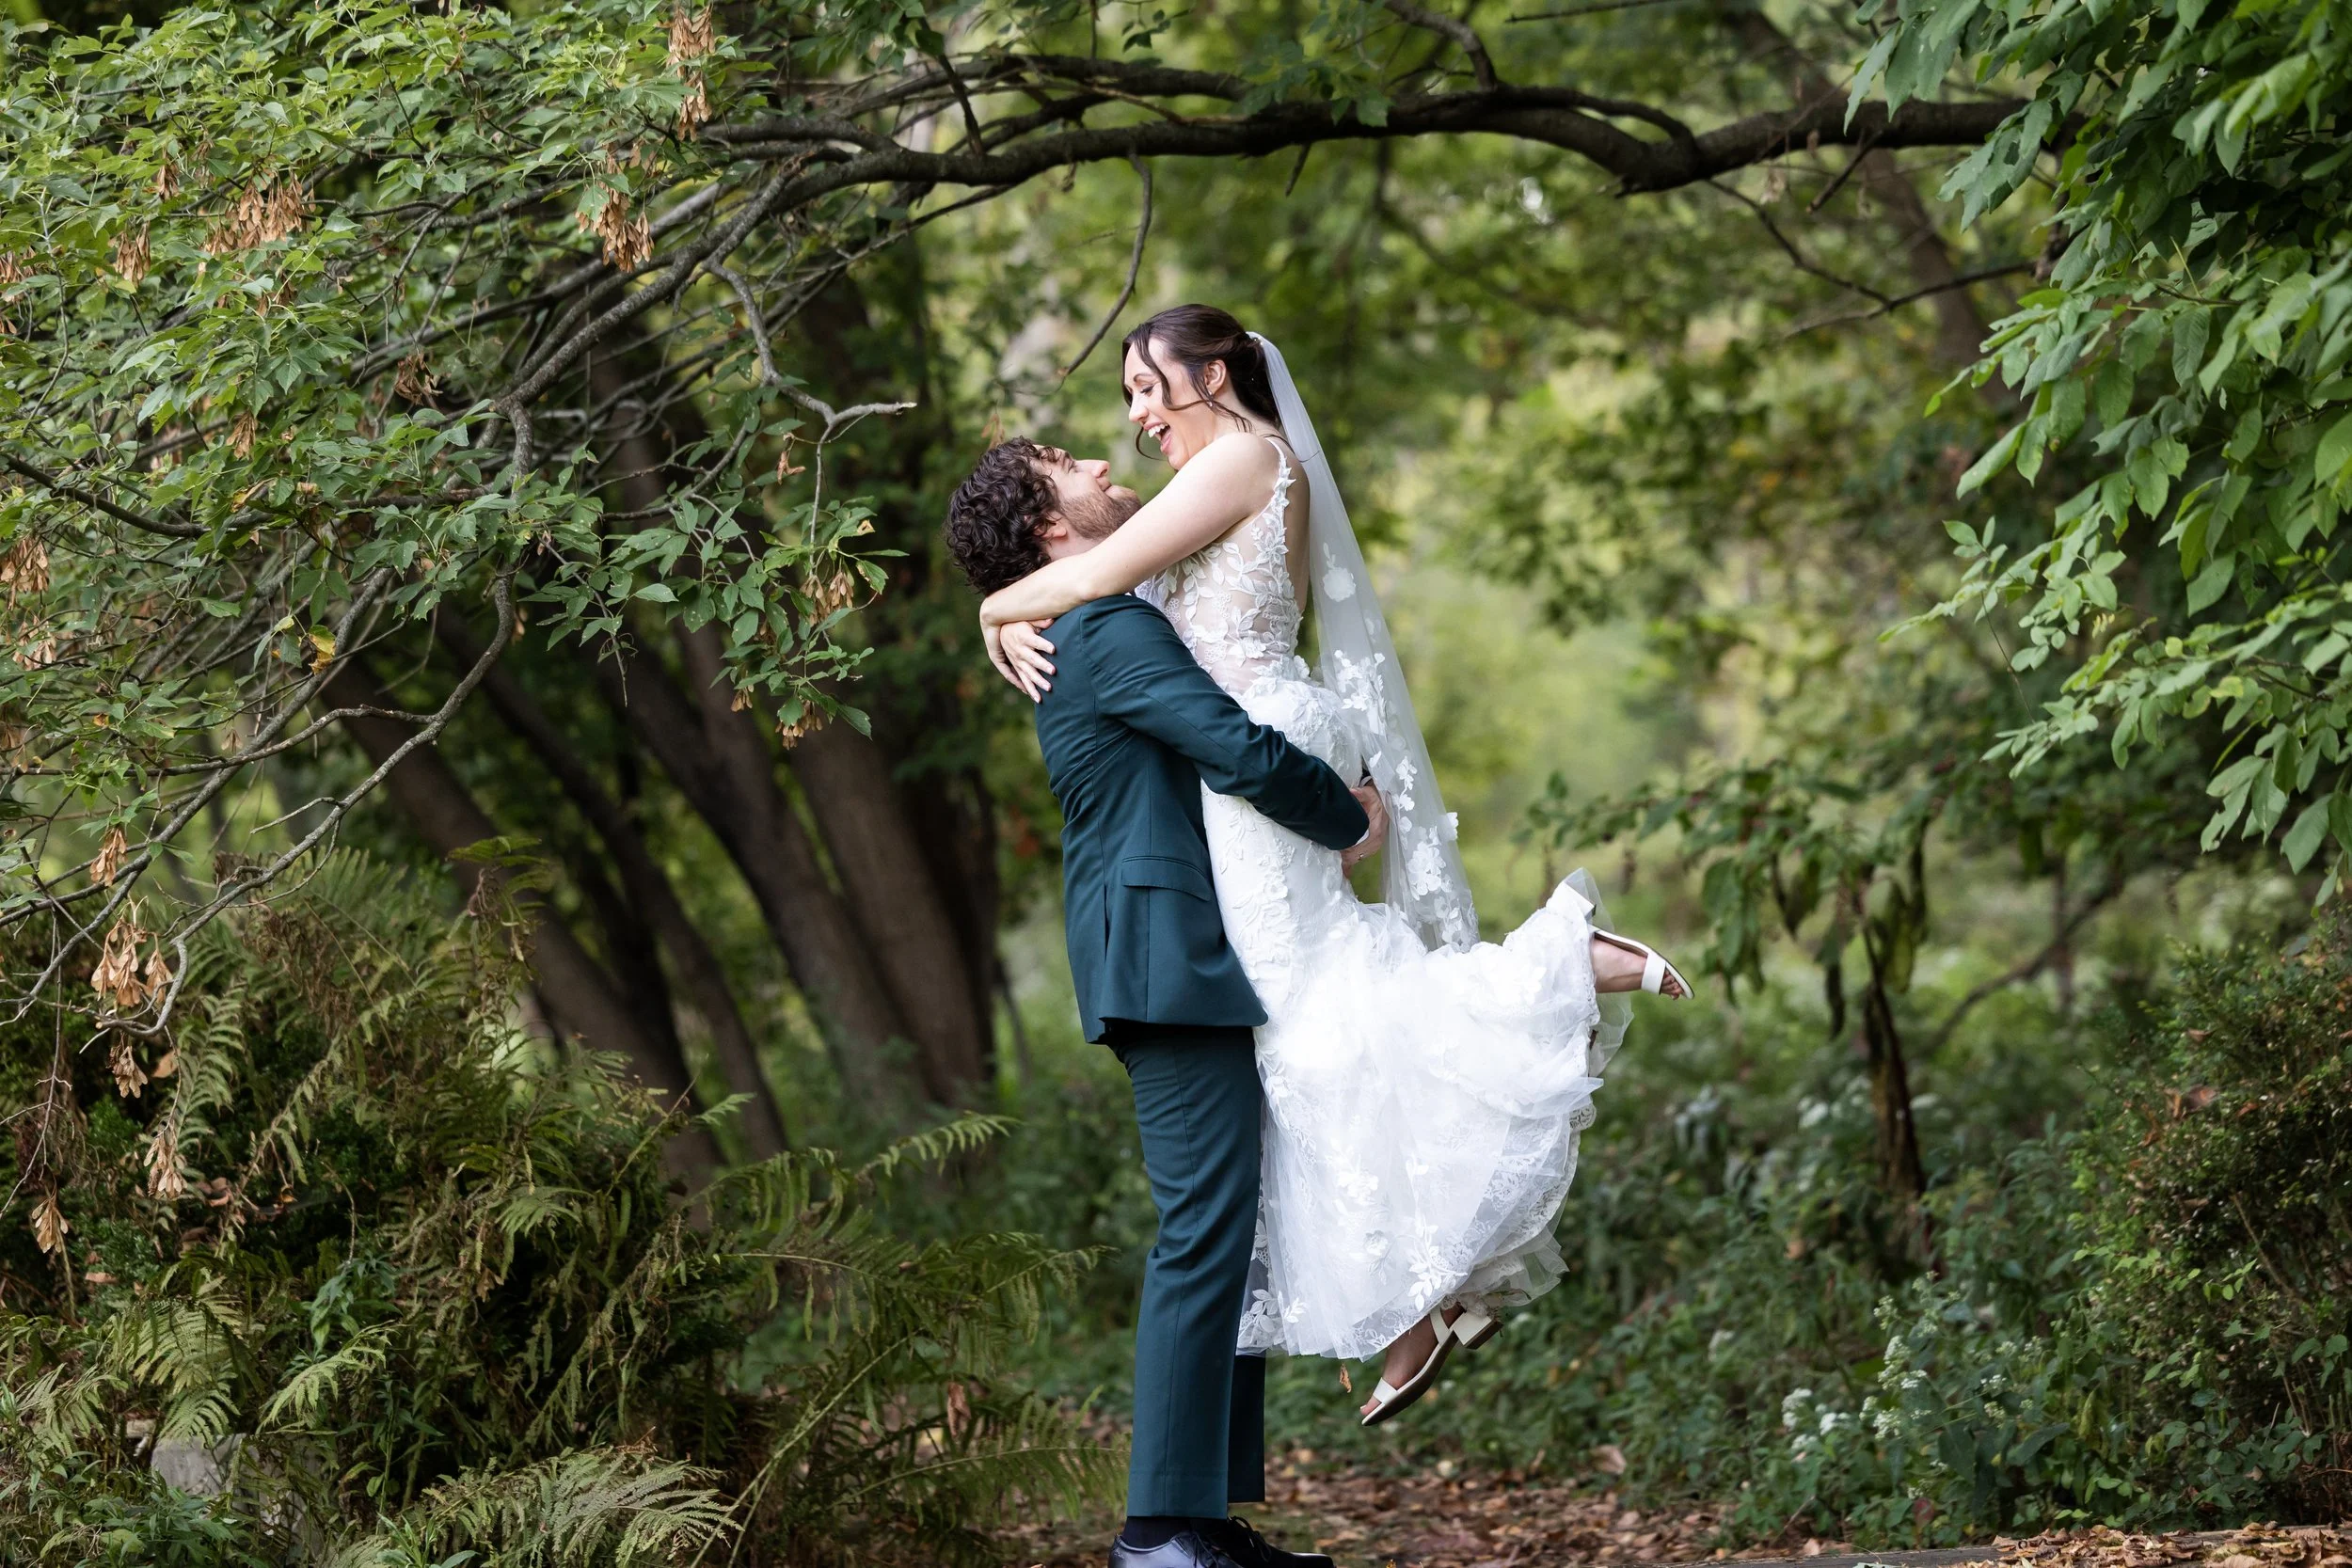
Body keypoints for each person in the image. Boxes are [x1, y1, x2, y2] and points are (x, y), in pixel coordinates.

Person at [965, 305, 1690, 1433]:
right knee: (1315, 1018)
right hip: (1263, 749)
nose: (1134, 419)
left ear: (1213, 374)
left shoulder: (1245, 457)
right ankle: (1424, 1295)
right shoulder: (1205, 483)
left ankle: (1556, 961)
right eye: (1124, 402)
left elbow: (1078, 574)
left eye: (1151, 388)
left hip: (1255, 745)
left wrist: (991, 605)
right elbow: (1085, 565)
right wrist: (1011, 592)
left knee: (1309, 1022)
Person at [946, 437, 1376, 1568]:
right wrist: (1349, 817)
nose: (1101, 454)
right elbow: (1229, 748)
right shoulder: (1106, 626)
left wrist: (993, 611)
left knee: (1225, 1227)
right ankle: (1157, 1533)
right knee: (1202, 1230)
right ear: (1051, 525)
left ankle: (1202, 1520)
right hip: (1160, 950)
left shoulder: (1087, 614)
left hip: (1174, 948)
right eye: (1066, 462)